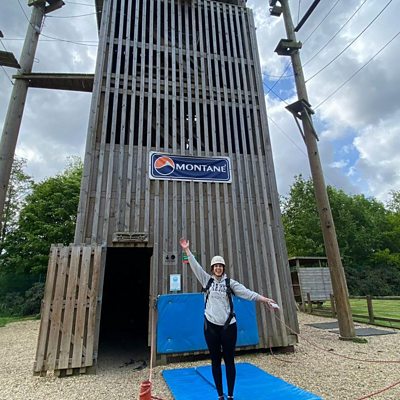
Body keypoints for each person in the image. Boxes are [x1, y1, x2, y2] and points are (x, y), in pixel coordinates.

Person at [179, 238, 279, 400]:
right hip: (211, 327)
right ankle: (220, 395)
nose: (218, 268)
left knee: (229, 360)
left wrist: (265, 299)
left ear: (223, 268)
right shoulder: (206, 280)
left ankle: (230, 395)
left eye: (220, 266)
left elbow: (248, 293)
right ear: (212, 268)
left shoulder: (230, 283)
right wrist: (186, 250)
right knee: (215, 361)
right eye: (215, 266)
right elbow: (195, 266)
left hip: (229, 327)